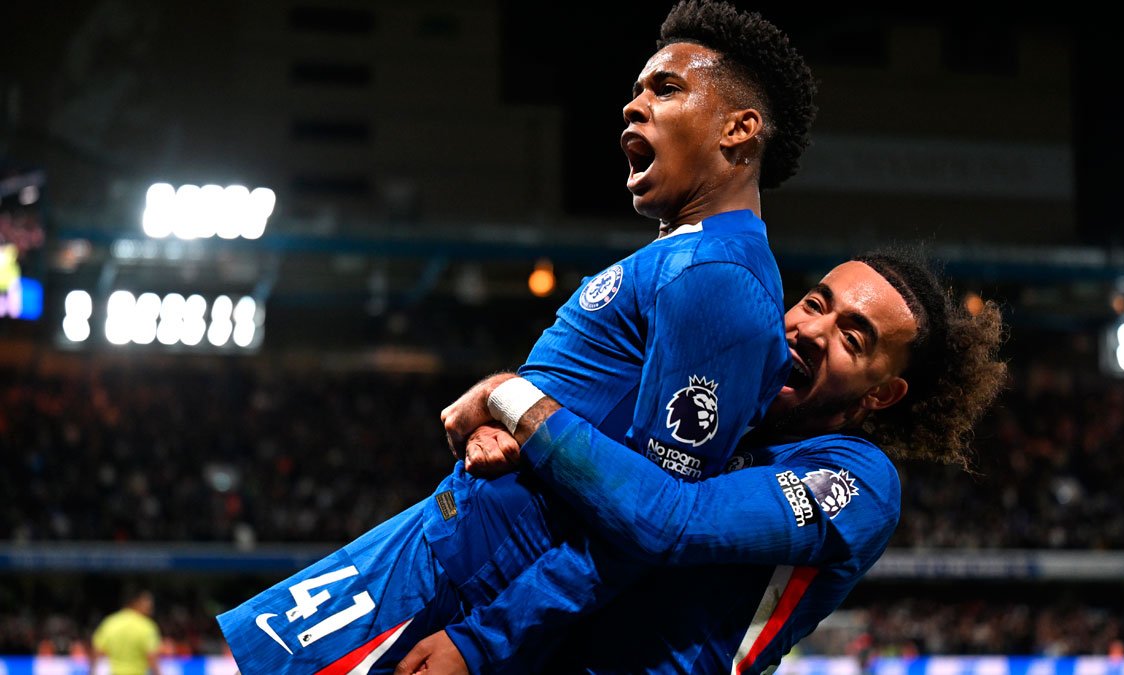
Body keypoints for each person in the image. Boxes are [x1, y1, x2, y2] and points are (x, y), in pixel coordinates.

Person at [220, 0, 815, 671]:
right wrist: (505, 417)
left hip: (474, 579)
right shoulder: (684, 258)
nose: (633, 105)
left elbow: (645, 520)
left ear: (739, 130)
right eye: (638, 88)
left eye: (667, 88)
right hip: (448, 542)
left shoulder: (718, 275)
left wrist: (484, 639)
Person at [89, 589, 161, 675]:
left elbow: (97, 650)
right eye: (147, 602)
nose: (151, 607)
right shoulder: (146, 626)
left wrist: (92, 672)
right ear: (136, 602)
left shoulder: (110, 622)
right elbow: (151, 657)